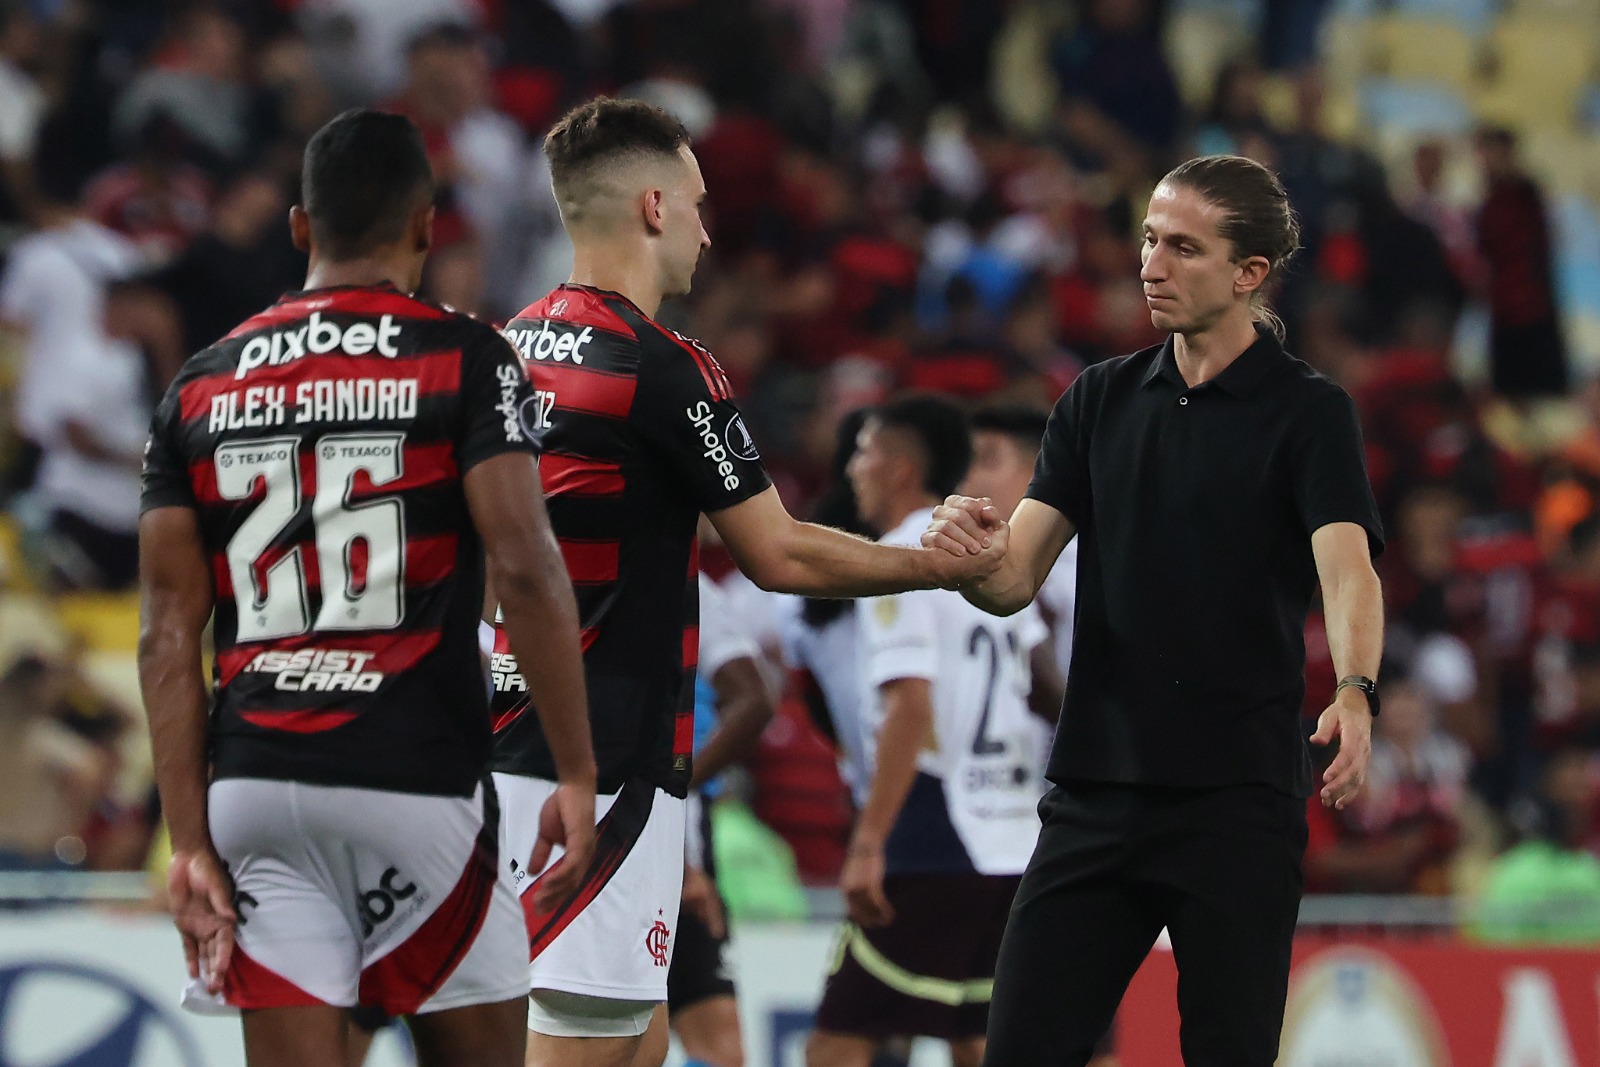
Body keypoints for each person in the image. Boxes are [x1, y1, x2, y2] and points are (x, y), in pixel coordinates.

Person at [483, 96, 1001, 1067]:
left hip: (518, 742)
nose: (705, 229)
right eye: (695, 203)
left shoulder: (507, 347)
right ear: (650, 206)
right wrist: (931, 564)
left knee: (640, 1040)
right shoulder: (662, 366)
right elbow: (779, 552)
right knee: (584, 1043)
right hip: (610, 762)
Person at [137, 109, 598, 1067]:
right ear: (426, 228)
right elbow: (525, 560)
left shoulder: (200, 382)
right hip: (413, 773)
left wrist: (187, 839)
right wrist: (578, 768)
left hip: (255, 782)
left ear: (300, 229)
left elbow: (167, 632)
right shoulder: (465, 357)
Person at [924, 154, 1386, 1067]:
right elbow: (1015, 577)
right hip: (1098, 791)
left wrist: (1358, 689)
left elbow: (1349, 570)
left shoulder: (1308, 413)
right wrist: (962, 557)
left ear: (1250, 273)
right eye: (1147, 238)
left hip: (1238, 801)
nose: (1151, 263)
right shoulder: (1096, 399)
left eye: (1182, 247)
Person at [807, 395, 1055, 1067]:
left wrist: (868, 841)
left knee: (836, 1041)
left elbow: (910, 708)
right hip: (1017, 838)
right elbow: (1046, 685)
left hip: (938, 832)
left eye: (863, 451)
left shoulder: (899, 556)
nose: (852, 467)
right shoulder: (986, 557)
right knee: (979, 1038)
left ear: (898, 468)